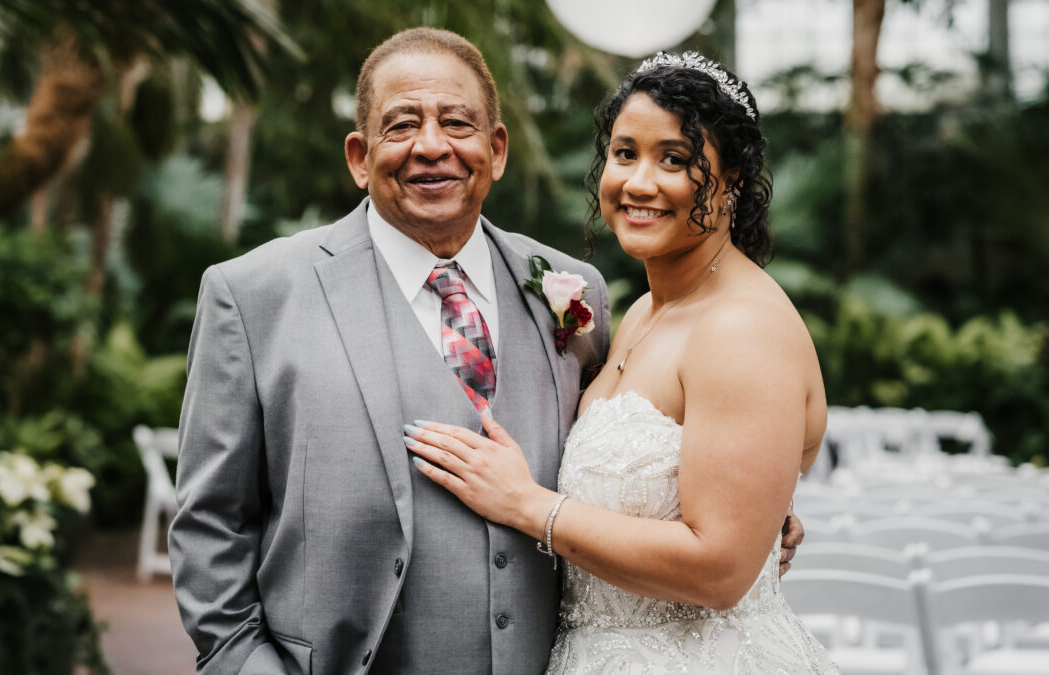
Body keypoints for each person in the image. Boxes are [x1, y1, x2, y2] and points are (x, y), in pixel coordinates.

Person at [169, 27, 802, 674]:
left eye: (457, 123)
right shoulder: (254, 297)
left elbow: (689, 459)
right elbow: (209, 525)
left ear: (496, 150)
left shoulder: (572, 293)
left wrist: (749, 501)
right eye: (402, 125)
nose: (432, 145)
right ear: (359, 156)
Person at [405, 51, 837, 672]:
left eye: (676, 159)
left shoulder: (743, 327)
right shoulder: (638, 313)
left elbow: (719, 570)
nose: (638, 182)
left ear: (734, 177)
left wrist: (527, 505)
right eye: (625, 152)